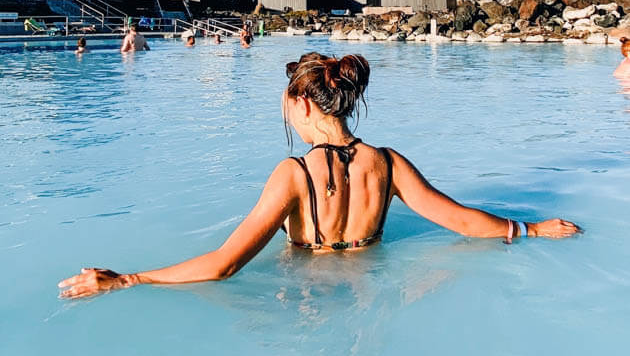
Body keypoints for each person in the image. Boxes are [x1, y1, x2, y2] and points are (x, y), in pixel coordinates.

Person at [59, 52, 581, 299]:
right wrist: (532, 229)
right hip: (372, 295)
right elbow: (464, 224)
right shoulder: (389, 163)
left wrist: (128, 278)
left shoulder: (291, 174)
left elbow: (223, 265)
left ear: (302, 102)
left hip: (303, 300)